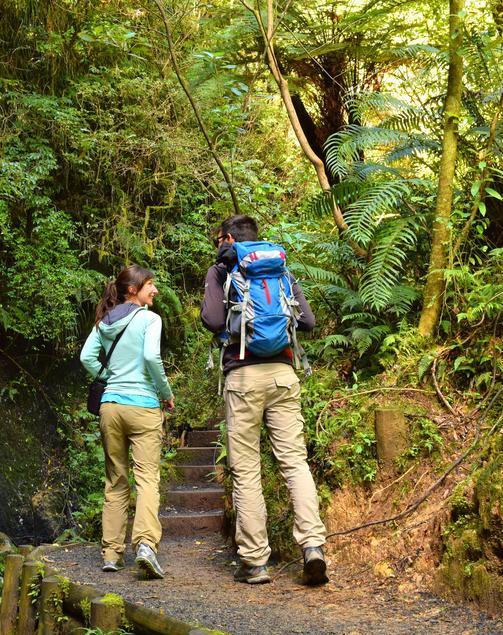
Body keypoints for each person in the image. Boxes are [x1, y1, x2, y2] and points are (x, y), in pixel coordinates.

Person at [200, 215, 328, 586]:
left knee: (246, 468)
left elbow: (211, 320)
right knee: (294, 462)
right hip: (283, 374)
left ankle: (255, 561)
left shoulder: (222, 269)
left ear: (227, 239)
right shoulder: (279, 268)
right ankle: (313, 547)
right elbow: (307, 322)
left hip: (242, 376)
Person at [80, 265, 175, 579]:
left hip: (110, 406)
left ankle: (111, 554)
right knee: (147, 478)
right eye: (151, 284)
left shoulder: (105, 321)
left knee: (115, 481)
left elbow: (86, 358)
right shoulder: (150, 319)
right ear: (134, 289)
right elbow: (150, 358)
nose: (155, 291)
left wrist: (110, 378)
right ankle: (146, 546)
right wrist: (165, 393)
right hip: (143, 406)